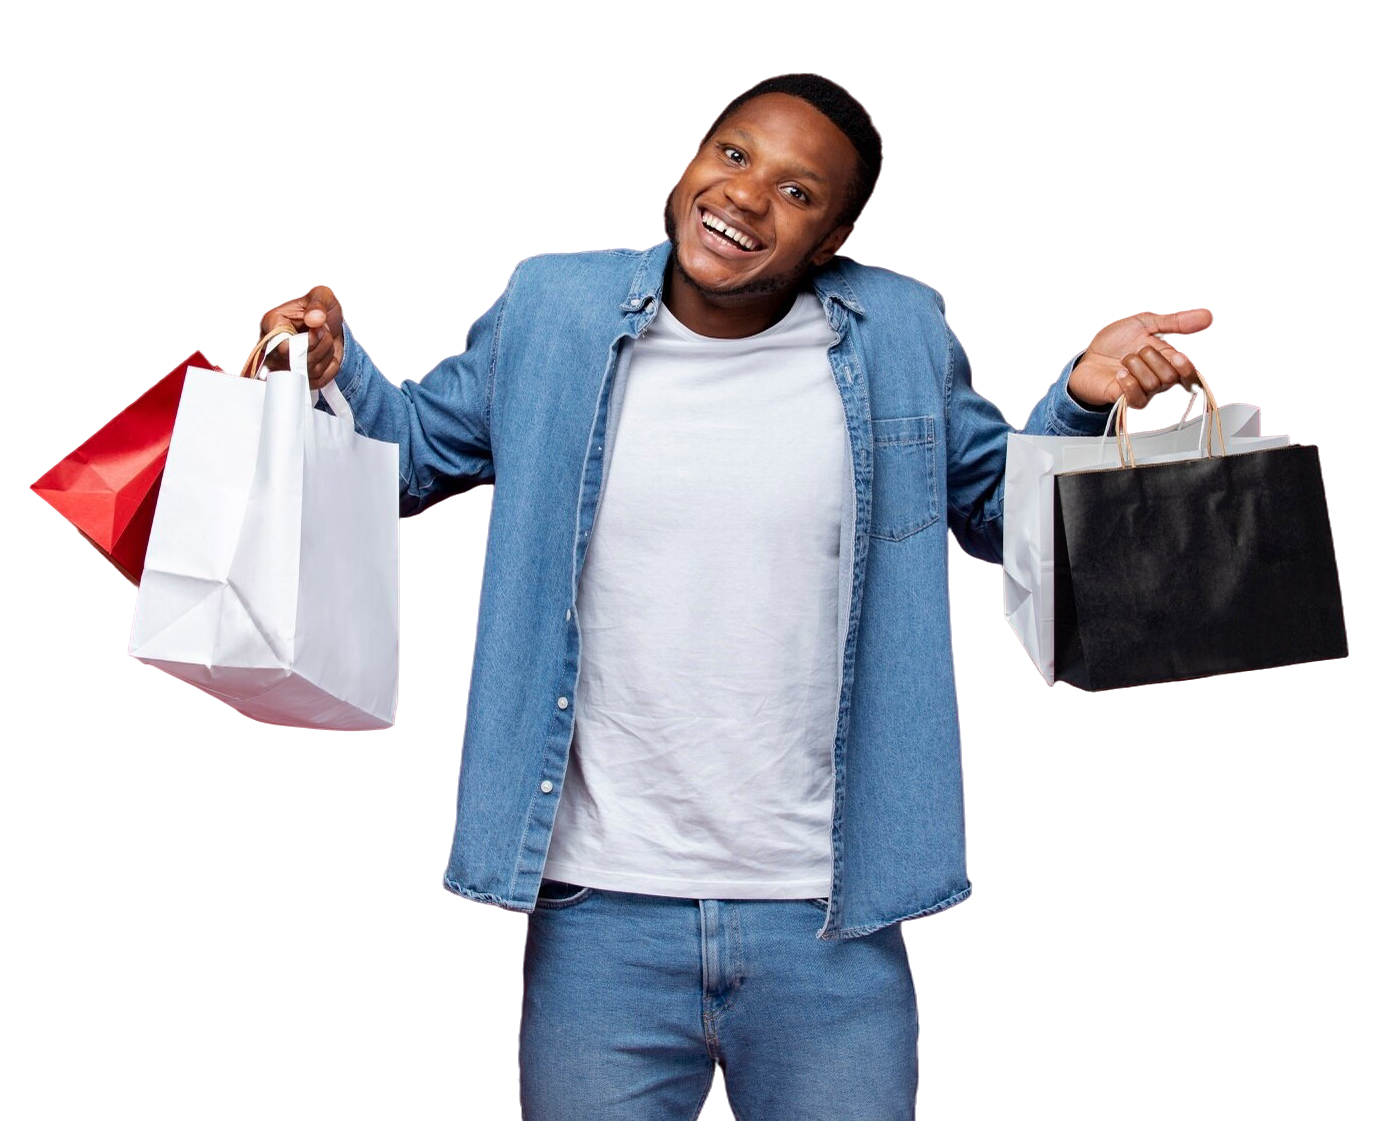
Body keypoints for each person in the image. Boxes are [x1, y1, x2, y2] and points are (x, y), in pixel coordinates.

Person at [253, 69, 1219, 1120]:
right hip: (595, 918)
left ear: (837, 235)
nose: (748, 197)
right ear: (688, 158)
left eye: (800, 193)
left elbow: (998, 510)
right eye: (733, 154)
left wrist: (1080, 396)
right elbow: (406, 460)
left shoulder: (901, 327)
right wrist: (329, 373)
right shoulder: (550, 303)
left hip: (832, 923)